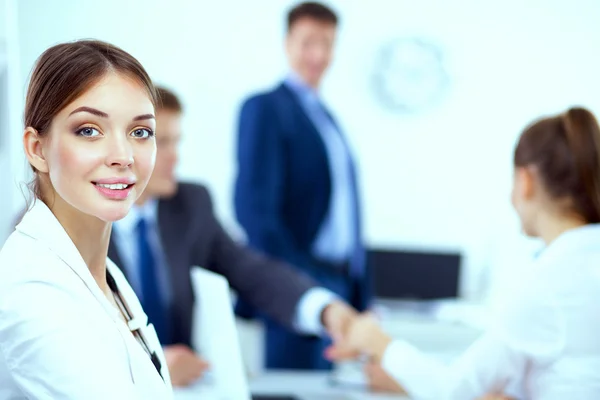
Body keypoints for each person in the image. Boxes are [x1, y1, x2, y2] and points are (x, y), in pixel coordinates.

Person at [327, 107, 600, 399]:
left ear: (526, 181)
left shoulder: (548, 282)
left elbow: (455, 389)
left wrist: (377, 341)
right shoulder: (581, 265)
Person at [108, 86, 358, 387]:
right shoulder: (81, 221)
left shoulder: (190, 205)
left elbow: (252, 271)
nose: (175, 157)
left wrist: (323, 309)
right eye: (162, 143)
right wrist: (146, 368)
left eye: (176, 142)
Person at [0, 40, 172, 398]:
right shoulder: (32, 294)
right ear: (37, 148)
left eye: (140, 132)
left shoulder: (102, 274)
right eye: (89, 130)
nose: (123, 156)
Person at [234, 1, 371, 371]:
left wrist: (363, 294)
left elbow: (348, 211)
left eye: (327, 43)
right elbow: (255, 212)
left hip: (339, 282)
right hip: (294, 283)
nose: (319, 54)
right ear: (287, 43)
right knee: (292, 387)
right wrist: (296, 284)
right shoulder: (265, 108)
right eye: (309, 42)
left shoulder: (328, 119)